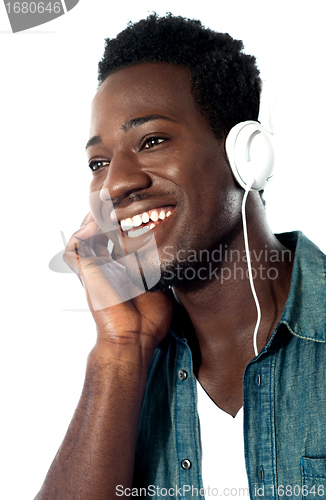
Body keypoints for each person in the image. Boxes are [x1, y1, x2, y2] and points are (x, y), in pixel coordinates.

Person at [35, 14, 326, 500]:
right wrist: (121, 347)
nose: (116, 184)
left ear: (245, 154)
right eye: (98, 163)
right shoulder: (129, 368)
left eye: (151, 140)